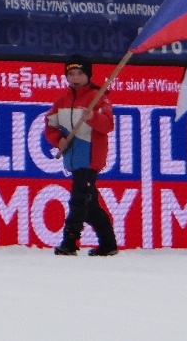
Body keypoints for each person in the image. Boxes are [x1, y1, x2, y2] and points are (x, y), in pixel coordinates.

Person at [44, 54, 117, 256]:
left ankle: (70, 241)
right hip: (73, 160)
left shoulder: (99, 98)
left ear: (88, 75)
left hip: (90, 159)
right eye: (71, 74)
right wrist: (58, 140)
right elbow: (49, 126)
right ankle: (108, 244)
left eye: (80, 73)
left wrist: (92, 117)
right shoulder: (61, 101)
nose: (75, 78)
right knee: (89, 205)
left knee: (78, 200)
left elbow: (108, 125)